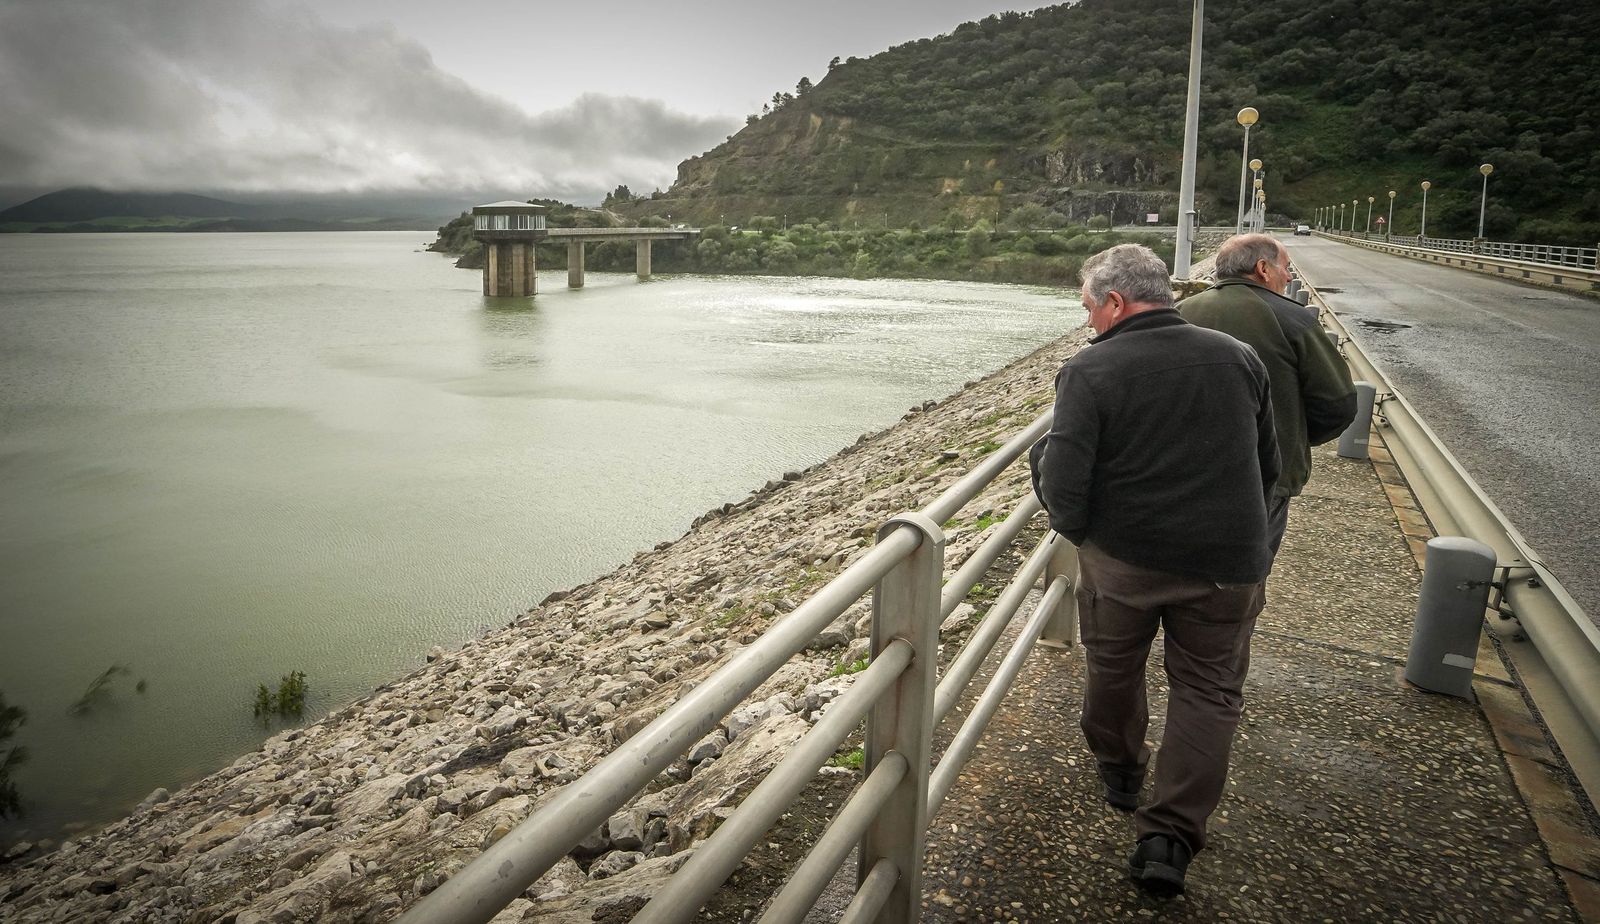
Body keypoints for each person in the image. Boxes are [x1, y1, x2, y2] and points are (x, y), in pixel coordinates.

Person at [1029, 243, 1280, 895]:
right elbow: (1269, 468)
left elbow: (1064, 486)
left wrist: (1082, 534)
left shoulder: (1091, 370)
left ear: (1114, 302)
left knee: (1113, 667)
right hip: (1227, 564)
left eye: (1088, 307)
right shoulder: (1239, 358)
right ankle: (1169, 837)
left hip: (1126, 563)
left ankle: (1120, 772)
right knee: (1209, 692)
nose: (1087, 320)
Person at [1179, 233, 1356, 555]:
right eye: (1285, 267)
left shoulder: (1182, 313)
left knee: (1185, 562)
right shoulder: (1293, 319)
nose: (1288, 277)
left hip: (1185, 468)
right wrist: (1294, 436)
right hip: (1265, 474)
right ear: (1263, 268)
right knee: (1247, 566)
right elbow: (1338, 403)